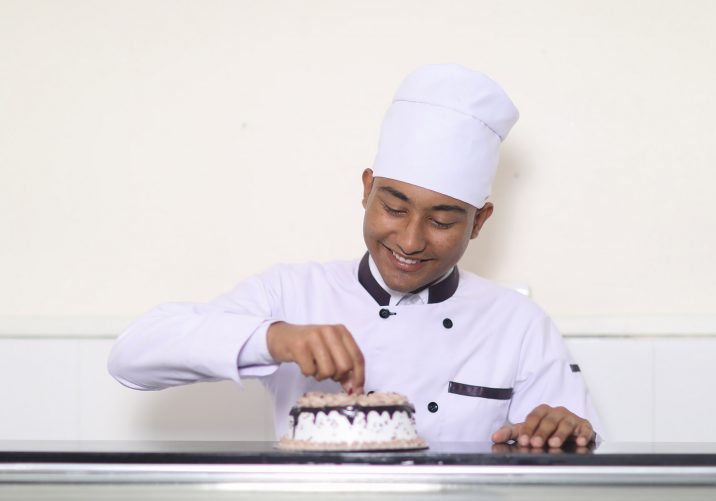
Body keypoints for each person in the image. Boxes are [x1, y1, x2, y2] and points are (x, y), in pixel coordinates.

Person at [108, 64, 602, 448]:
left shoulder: (517, 323)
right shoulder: (291, 293)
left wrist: (566, 431)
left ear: (480, 222)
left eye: (443, 220)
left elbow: (575, 444)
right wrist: (272, 339)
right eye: (393, 206)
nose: (410, 241)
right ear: (366, 190)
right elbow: (132, 357)